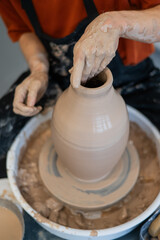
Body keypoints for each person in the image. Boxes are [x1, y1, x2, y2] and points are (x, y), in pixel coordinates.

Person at [0, 0, 160, 177]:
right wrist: (39, 70)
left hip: (133, 78)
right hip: (57, 75)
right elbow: (23, 30)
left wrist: (116, 23)